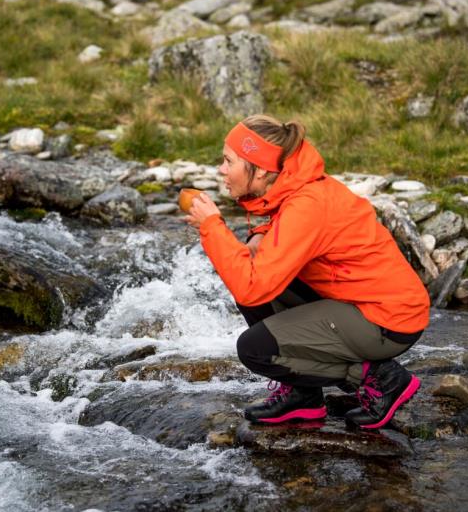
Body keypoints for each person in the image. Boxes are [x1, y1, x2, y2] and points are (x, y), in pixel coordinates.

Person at [183, 114, 430, 429]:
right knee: (252, 277)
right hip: (357, 301)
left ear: (259, 171)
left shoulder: (307, 204)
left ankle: (382, 378)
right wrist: (260, 232)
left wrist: (212, 226)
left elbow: (253, 284)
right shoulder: (294, 188)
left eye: (228, 161)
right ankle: (303, 397)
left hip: (389, 320)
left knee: (255, 350)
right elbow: (284, 232)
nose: (221, 169)